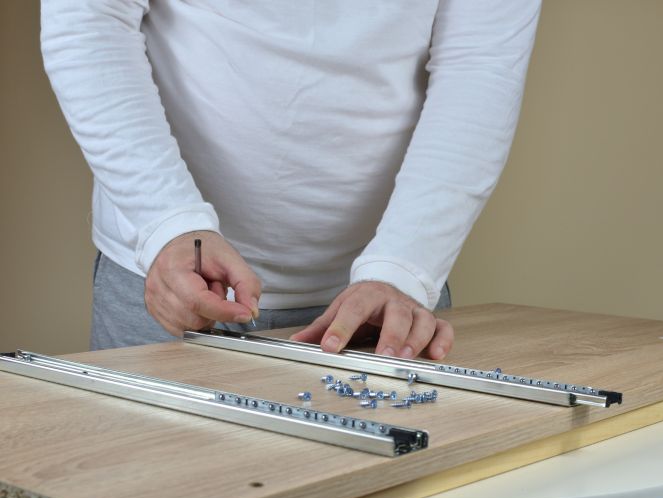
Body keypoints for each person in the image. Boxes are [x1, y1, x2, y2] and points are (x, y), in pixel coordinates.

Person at [41, 1, 541, 358]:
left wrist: (406, 269)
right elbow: (88, 23)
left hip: (388, 300)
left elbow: (482, 64)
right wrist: (166, 222)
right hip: (168, 276)